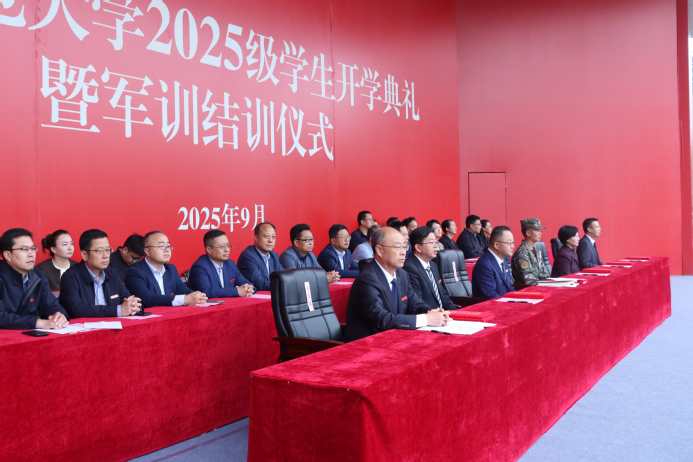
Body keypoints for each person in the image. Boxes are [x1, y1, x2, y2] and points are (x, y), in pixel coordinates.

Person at [345, 227, 448, 341]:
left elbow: (415, 303)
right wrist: (426, 319)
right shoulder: (367, 279)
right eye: (398, 247)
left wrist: (430, 312)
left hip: (395, 337)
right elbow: (381, 319)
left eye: (404, 247)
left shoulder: (402, 274)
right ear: (380, 250)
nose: (403, 252)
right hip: (368, 343)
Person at [59, 229, 142, 318]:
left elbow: (128, 298)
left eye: (107, 250)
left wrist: (133, 305)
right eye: (99, 251)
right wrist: (118, 310)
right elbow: (76, 310)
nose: (105, 256)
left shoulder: (112, 273)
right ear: (84, 255)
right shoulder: (70, 277)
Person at [0, 228, 69, 329]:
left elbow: (51, 304)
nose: (31, 254)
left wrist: (59, 315)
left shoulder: (38, 276)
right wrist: (37, 323)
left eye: (33, 248)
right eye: (24, 249)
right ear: (8, 255)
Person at [126, 231, 207, 307]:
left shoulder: (170, 269)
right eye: (161, 246)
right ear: (147, 251)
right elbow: (146, 299)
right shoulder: (135, 271)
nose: (167, 250)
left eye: (168, 246)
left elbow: (183, 290)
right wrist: (184, 299)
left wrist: (197, 295)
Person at [188, 229, 255, 297]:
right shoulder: (200, 268)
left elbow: (244, 282)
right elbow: (206, 292)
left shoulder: (230, 264)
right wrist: (236, 291)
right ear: (209, 250)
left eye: (228, 245)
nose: (227, 250)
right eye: (222, 247)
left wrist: (249, 288)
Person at [404, 226, 457, 310]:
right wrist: (435, 314)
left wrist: (455, 311)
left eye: (436, 242)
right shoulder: (409, 268)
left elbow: (443, 295)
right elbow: (417, 302)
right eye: (431, 242)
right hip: (428, 314)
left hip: (443, 314)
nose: (436, 246)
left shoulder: (433, 265)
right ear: (418, 248)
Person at [471, 226, 515, 300]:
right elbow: (490, 295)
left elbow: (510, 287)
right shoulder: (485, 265)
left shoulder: (505, 260)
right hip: (492, 305)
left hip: (505, 301)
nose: (513, 246)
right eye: (509, 243)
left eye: (513, 243)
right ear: (496, 245)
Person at [237, 222, 284, 291]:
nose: (270, 240)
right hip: (254, 296)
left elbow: (282, 276)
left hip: (271, 294)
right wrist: (283, 285)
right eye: (266, 236)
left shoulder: (273, 255)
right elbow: (260, 284)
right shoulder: (248, 256)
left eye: (273, 237)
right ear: (256, 238)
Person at [511, 218, 552, 289]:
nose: (540, 233)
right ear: (528, 233)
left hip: (538, 287)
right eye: (537, 230)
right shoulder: (522, 253)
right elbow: (528, 280)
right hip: (526, 291)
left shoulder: (536, 250)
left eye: (540, 230)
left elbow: (543, 272)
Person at [35, 229, 76, 294]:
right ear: (53, 249)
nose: (70, 248)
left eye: (72, 244)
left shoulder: (78, 268)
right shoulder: (41, 270)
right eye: (65, 244)